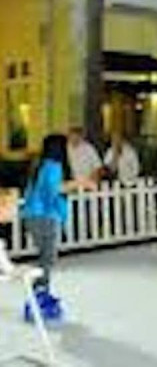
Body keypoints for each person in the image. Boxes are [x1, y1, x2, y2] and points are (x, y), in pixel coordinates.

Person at [20, 134, 96, 322]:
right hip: (45, 216)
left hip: (34, 215)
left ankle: (40, 292)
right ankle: (38, 294)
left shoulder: (40, 164)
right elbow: (56, 189)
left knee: (47, 257)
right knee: (48, 258)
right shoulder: (53, 166)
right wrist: (82, 183)